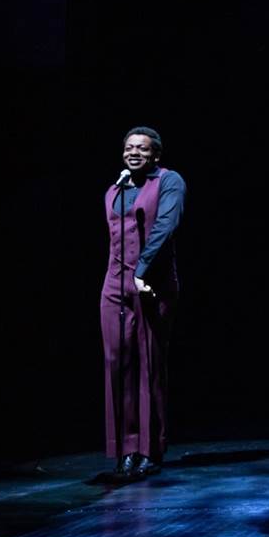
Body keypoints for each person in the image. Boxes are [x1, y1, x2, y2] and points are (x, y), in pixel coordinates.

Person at [99, 126, 185, 479]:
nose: (134, 152)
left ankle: (150, 449)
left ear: (156, 154)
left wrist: (143, 270)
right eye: (129, 147)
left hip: (153, 283)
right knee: (117, 364)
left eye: (142, 148)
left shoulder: (169, 181)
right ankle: (125, 449)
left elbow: (167, 225)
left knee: (149, 364)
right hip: (114, 286)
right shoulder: (114, 189)